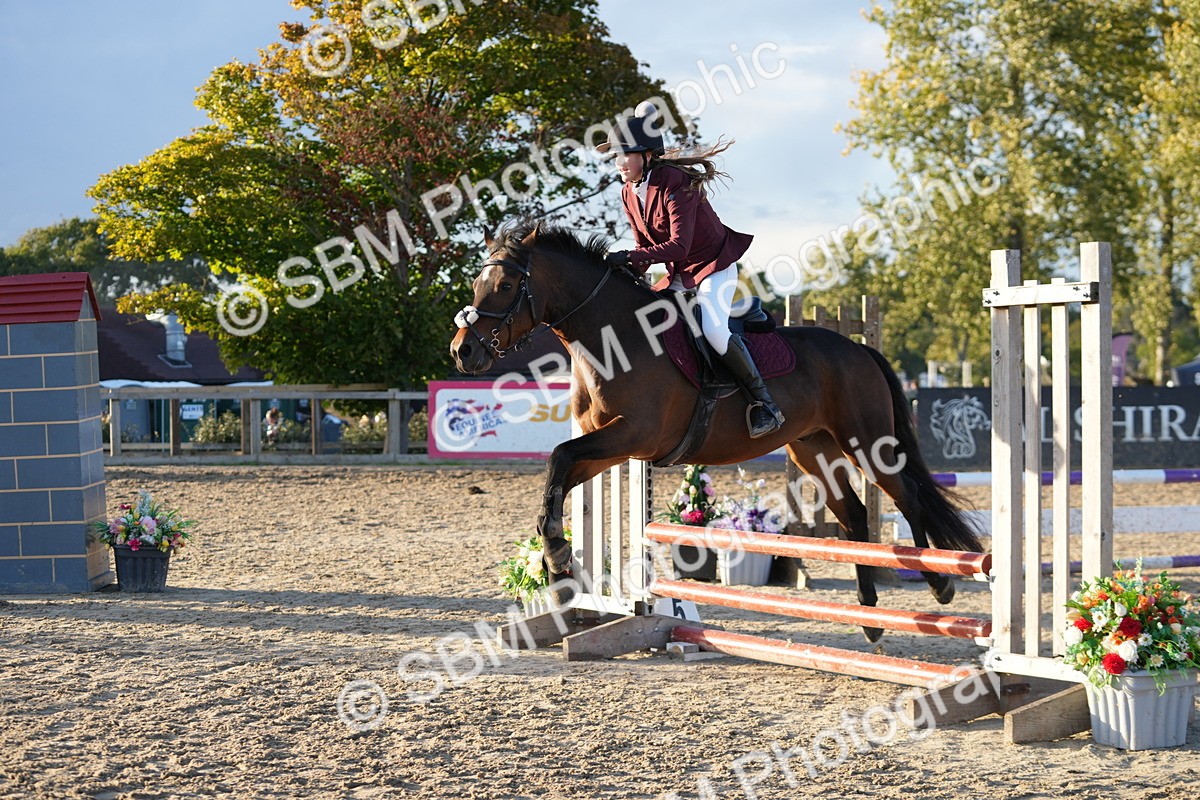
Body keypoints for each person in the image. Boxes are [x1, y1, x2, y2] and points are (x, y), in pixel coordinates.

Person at [598, 102, 785, 438]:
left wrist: (628, 257)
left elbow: (679, 246)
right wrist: (622, 274)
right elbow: (643, 247)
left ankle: (765, 405)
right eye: (616, 156)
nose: (619, 163)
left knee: (713, 330)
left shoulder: (675, 182)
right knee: (647, 318)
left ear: (648, 155)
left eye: (625, 155)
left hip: (713, 265)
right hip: (679, 274)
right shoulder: (628, 192)